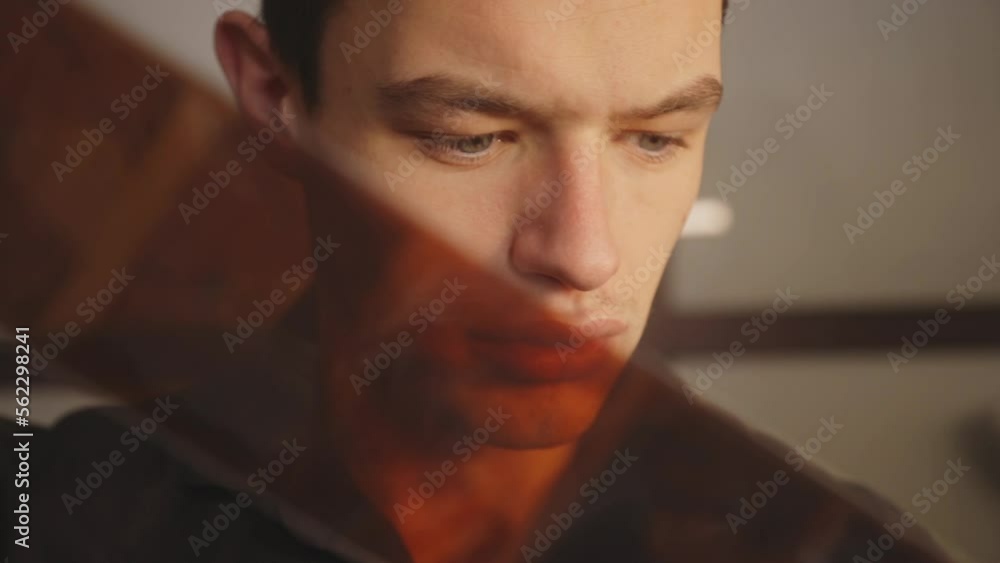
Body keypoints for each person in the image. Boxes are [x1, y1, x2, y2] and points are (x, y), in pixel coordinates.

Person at [15, 1, 956, 562]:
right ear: (273, 98)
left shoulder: (823, 545)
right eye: (468, 138)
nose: (585, 254)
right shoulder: (56, 520)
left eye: (656, 138)